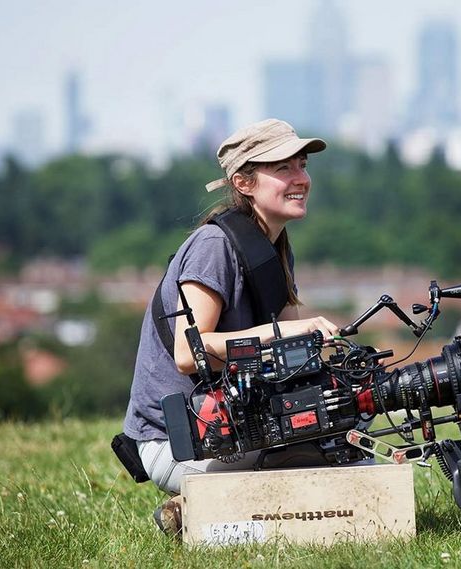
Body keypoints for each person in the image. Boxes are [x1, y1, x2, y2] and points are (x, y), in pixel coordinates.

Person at [120, 118, 347, 536]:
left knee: (342, 432)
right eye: (283, 169)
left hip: (234, 425)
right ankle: (203, 506)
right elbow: (190, 354)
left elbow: (289, 362)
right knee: (322, 456)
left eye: (302, 165)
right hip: (178, 441)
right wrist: (285, 334)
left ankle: (206, 506)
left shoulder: (274, 247)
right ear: (243, 183)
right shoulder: (214, 247)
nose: (301, 178)